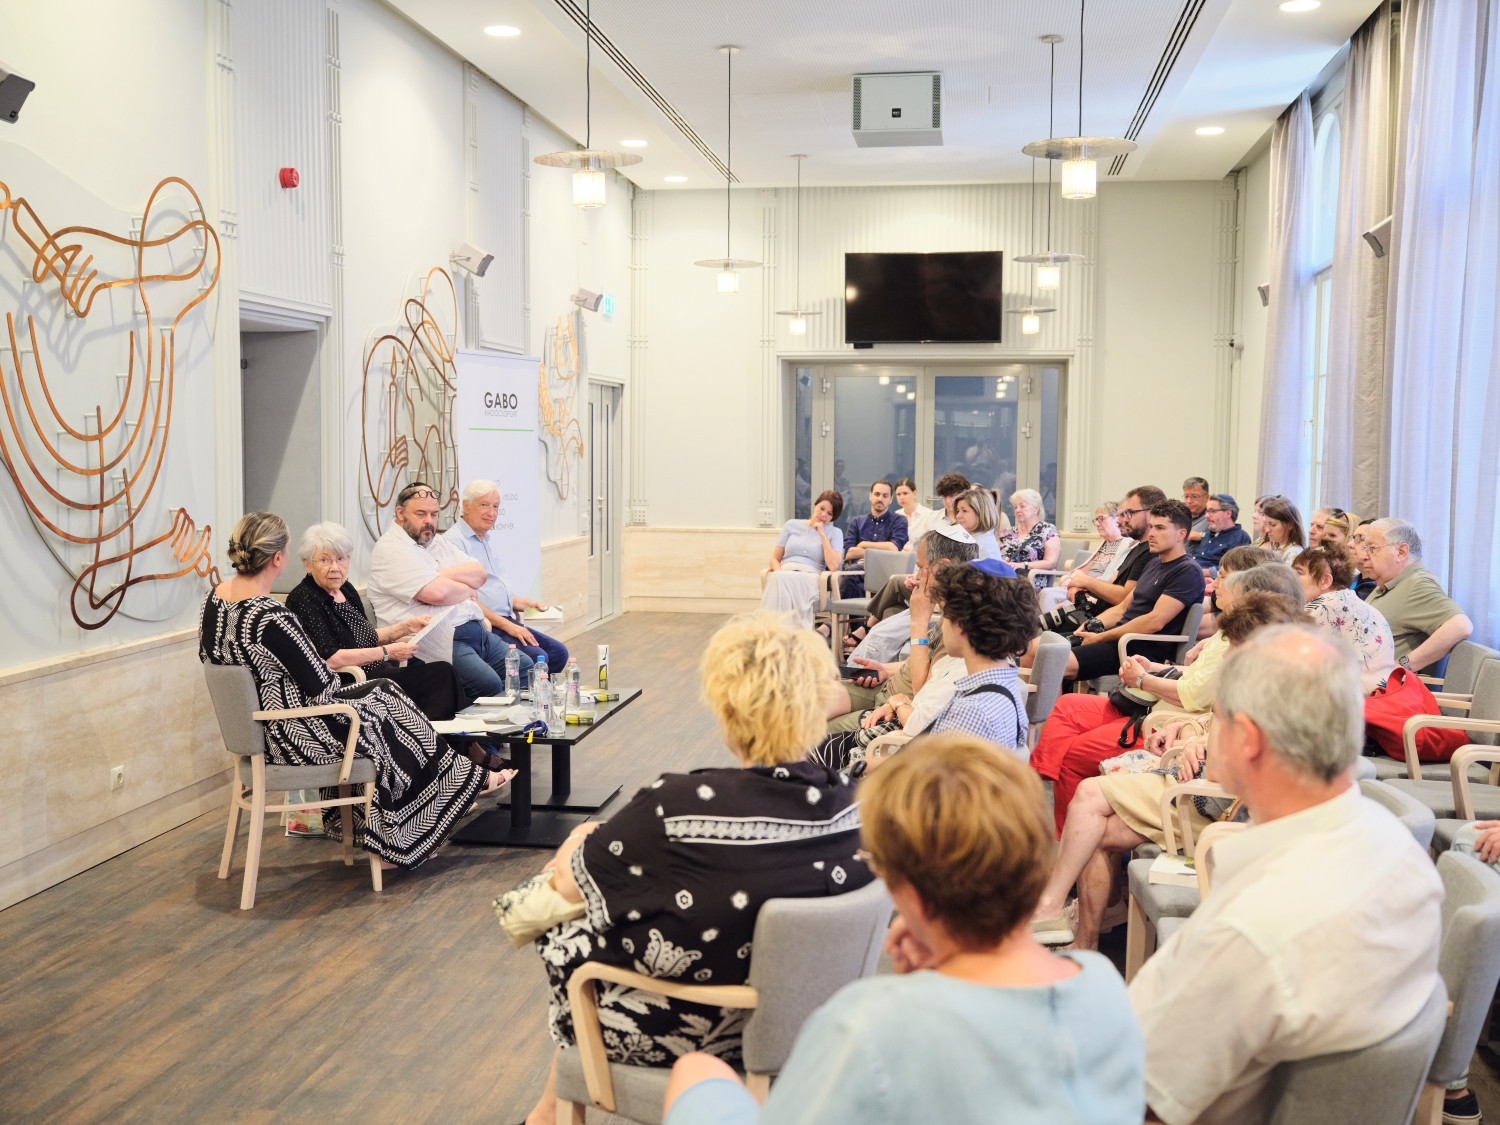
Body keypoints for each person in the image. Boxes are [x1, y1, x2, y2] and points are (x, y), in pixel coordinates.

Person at [661, 734, 1145, 1125]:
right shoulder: (1105, 989)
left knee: (697, 1072)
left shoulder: (866, 1025)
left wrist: (908, 996)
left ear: (909, 891)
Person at [516, 613, 873, 1124]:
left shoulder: (677, 808)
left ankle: (547, 1112)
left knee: (557, 917)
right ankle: (545, 1112)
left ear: (726, 709)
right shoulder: (857, 807)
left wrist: (578, 839)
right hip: (820, 1025)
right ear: (819, 705)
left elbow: (565, 889)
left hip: (698, 1031)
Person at [1128, 624, 1442, 1125]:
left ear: (1247, 740)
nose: (1206, 730)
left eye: (1214, 718)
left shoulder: (1250, 935)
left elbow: (1132, 1099)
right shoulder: (1403, 851)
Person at [200, 513, 508, 871]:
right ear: (279, 558)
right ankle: (430, 809)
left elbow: (215, 660)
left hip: (259, 730)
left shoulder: (214, 602)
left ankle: (447, 790)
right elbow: (322, 683)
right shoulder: (270, 616)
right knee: (386, 701)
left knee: (386, 697)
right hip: (293, 735)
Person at [1030, 589, 1308, 948]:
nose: (1228, 654)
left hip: (1214, 804)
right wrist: (1192, 733)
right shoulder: (1270, 684)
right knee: (1093, 829)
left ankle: (1053, 908)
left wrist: (1193, 739)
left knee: (1088, 795)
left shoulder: (1256, 693)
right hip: (1207, 790)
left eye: (1235, 646)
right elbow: (1214, 731)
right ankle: (1083, 937)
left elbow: (1221, 772)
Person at [1031, 560, 1299, 835]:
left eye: (1226, 578)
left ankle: (1058, 827)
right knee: (1068, 705)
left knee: (1074, 754)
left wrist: (1142, 680)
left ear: (1250, 598)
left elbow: (1194, 697)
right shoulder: (1226, 636)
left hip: (1161, 722)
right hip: (1159, 711)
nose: (1216, 584)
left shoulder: (1244, 655)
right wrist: (1154, 668)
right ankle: (1039, 788)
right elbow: (1196, 680)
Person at [815, 555, 1030, 771]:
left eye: (945, 615)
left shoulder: (972, 711)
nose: (942, 625)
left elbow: (922, 774)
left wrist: (852, 771)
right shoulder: (997, 687)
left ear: (961, 625)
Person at [285, 521, 467, 721]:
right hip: (353, 682)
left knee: (443, 672)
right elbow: (330, 658)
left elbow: (366, 637)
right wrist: (387, 652)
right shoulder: (304, 598)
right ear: (308, 564)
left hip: (379, 673)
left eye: (341, 558)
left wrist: (405, 627)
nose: (335, 568)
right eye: (324, 560)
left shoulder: (346, 589)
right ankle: (443, 738)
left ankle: (454, 737)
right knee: (441, 676)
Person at [369, 481, 534, 700]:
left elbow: (479, 574)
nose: (429, 521)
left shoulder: (436, 541)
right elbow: (437, 594)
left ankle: (516, 721)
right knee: (489, 685)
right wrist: (467, 589)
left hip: (476, 630)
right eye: (421, 514)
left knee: (525, 669)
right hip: (435, 642)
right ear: (400, 513)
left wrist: (438, 576)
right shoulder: (391, 549)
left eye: (434, 514)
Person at [1034, 499, 1206, 684]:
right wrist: (1092, 624)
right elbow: (1123, 608)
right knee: (1034, 648)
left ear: (1181, 534)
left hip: (1138, 648)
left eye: (1160, 528)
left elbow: (1154, 621)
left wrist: (1102, 636)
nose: (1151, 533)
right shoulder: (1155, 563)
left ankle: (1050, 704)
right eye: (1151, 526)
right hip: (1117, 638)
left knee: (1051, 659)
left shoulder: (1187, 571)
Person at [830, 526, 980, 722]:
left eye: (921, 567)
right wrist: (885, 669)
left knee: (814, 729)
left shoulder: (958, 626)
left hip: (898, 708)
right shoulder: (951, 610)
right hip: (887, 687)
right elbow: (931, 663)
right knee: (811, 698)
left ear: (942, 568)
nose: (916, 577)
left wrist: (918, 622)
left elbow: (923, 692)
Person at [446, 479, 569, 671]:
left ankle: (540, 690)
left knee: (558, 653)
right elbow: (466, 600)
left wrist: (527, 604)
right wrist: (508, 626)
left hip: (505, 619)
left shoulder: (484, 539)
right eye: (484, 505)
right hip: (485, 625)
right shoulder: (454, 543)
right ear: (466, 506)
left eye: (495, 506)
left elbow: (495, 590)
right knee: (539, 658)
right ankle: (526, 690)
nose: (492, 513)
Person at [1364, 518, 1474, 674]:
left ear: (1401, 552)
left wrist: (1403, 666)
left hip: (1384, 687)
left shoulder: (1417, 584)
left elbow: (1460, 626)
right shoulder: (1389, 583)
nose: (1365, 555)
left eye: (1372, 548)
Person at [1292, 545, 1395, 694]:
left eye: (1298, 573)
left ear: (1325, 580)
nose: (1291, 579)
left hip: (1354, 700)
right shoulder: (1350, 600)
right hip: (1377, 696)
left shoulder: (1321, 607)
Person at [1054, 486, 1162, 620]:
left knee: (1043, 630)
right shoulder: (1136, 548)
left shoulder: (1151, 552)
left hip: (1107, 621)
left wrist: (1086, 581)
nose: (1122, 520)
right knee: (1042, 623)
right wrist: (1081, 587)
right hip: (1097, 613)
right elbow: (1110, 582)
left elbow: (1123, 598)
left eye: (1130, 513)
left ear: (1150, 514)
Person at [761, 490, 845, 629]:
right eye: (822, 508)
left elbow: (833, 566)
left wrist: (822, 535)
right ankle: (784, 633)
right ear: (815, 505)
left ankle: (768, 632)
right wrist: (780, 572)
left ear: (832, 517)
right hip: (784, 573)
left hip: (810, 577)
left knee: (779, 580)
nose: (824, 514)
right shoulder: (791, 525)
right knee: (778, 578)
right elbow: (774, 559)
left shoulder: (835, 533)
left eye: (829, 513)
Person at [839, 480, 908, 597]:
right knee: (858, 586)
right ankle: (843, 607)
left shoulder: (899, 520)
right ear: (870, 496)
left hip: (885, 570)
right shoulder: (856, 522)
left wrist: (864, 544)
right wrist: (882, 550)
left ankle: (837, 607)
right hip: (859, 572)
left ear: (891, 499)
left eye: (885, 496)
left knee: (852, 573)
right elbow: (849, 553)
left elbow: (893, 548)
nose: (880, 498)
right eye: (877, 494)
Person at [996, 488, 1061, 588]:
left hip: (1030, 580)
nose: (1017, 510)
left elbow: (1050, 563)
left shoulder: (1047, 530)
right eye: (1015, 507)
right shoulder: (1007, 533)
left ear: (1036, 509)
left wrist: (1022, 565)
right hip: (1004, 577)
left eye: (1022, 506)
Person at [1193, 493, 1252, 571]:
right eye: (1207, 511)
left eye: (1212, 511)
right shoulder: (1210, 533)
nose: (1206, 516)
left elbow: (1234, 569)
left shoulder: (1240, 538)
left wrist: (1204, 572)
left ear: (1228, 513)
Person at [952, 485, 1004, 561]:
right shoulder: (973, 540)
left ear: (980, 514)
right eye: (958, 511)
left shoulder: (984, 546)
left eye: (964, 511)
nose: (958, 516)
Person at [1073, 502, 1125, 579]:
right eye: (1096, 520)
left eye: (1101, 519)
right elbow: (1086, 569)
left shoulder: (1126, 545)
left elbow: (1114, 577)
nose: (1097, 524)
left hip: (1100, 584)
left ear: (1117, 519)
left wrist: (1084, 582)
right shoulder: (1104, 542)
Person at [1256, 496, 1306, 562]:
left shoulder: (1294, 553)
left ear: (1290, 525)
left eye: (1273, 524)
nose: (1267, 530)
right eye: (1266, 524)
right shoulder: (1274, 548)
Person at [893, 477, 938, 547]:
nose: (901, 497)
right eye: (898, 494)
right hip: (900, 552)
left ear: (914, 493)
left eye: (905, 493)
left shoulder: (928, 514)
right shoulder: (896, 515)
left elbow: (932, 542)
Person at [1182, 476, 1210, 549]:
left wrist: (1202, 536)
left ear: (1207, 497)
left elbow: (1223, 539)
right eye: (1186, 496)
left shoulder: (1213, 518)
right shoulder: (1178, 515)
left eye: (1195, 496)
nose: (1189, 501)